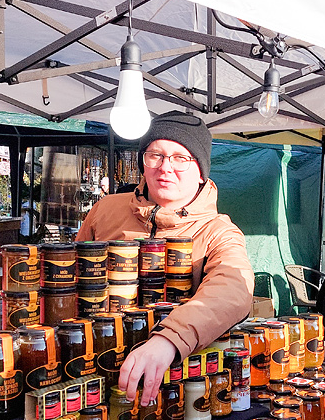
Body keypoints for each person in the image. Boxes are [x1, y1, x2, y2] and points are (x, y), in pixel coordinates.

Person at [77, 111, 254, 403]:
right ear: (142, 164)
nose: (165, 167)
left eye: (180, 158)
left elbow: (234, 287)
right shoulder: (106, 209)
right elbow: (76, 275)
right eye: (155, 155)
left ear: (200, 172)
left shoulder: (218, 230)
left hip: (174, 377)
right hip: (93, 368)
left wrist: (169, 339)